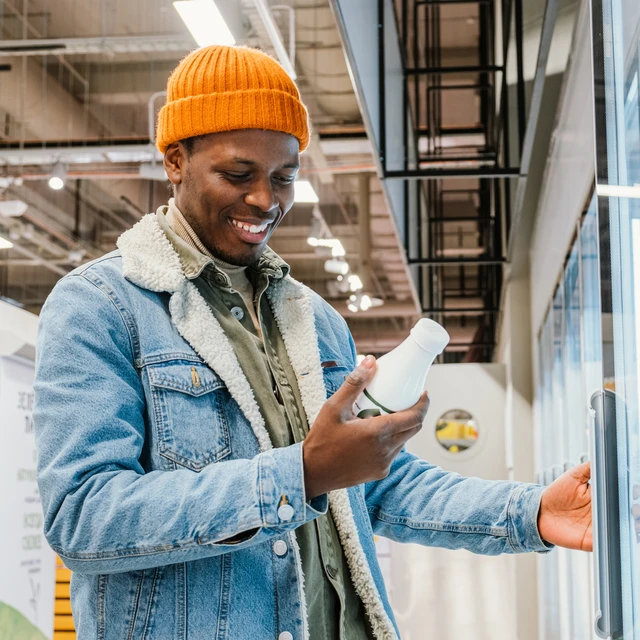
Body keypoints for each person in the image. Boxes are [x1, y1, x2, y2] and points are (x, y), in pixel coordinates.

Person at [33, 45, 592, 640]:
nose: (266, 200)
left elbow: (374, 483)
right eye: (238, 174)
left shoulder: (314, 319)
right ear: (175, 161)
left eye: (283, 177)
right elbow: (83, 515)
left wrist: (531, 513)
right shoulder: (100, 305)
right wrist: (297, 476)